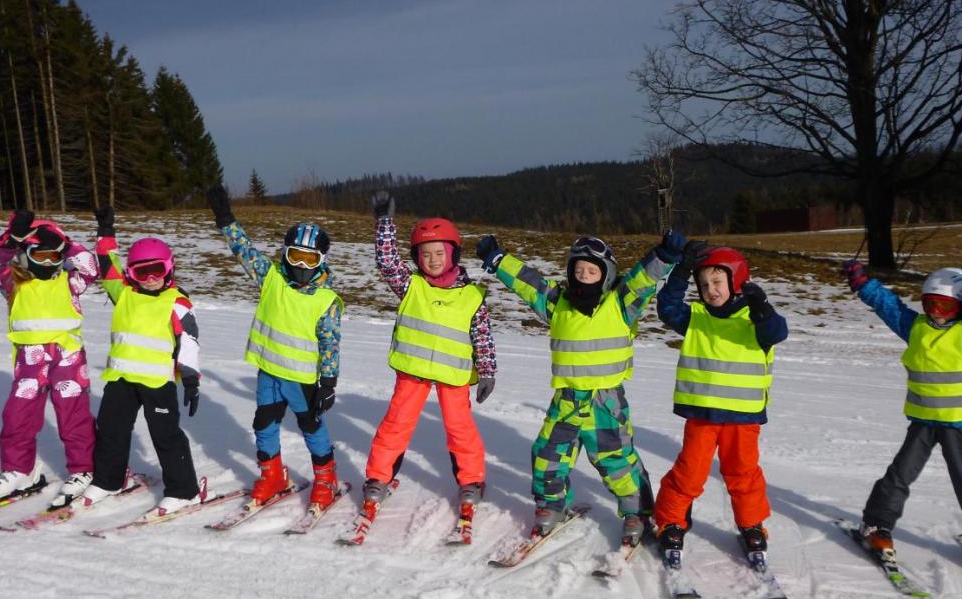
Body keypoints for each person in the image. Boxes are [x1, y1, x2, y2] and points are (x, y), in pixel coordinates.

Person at [475, 231, 671, 546]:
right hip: (567, 399)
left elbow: (641, 280)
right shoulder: (557, 304)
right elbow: (529, 283)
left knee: (616, 460)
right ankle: (552, 506)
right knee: (547, 456)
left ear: (605, 275)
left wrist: (665, 255)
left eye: (592, 271)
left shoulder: (621, 303)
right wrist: (498, 261)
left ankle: (638, 513)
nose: (584, 276)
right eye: (578, 270)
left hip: (605, 402)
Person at [842, 245, 962, 574]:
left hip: (958, 423)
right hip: (922, 422)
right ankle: (876, 525)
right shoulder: (917, 328)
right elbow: (889, 307)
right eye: (930, 304)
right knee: (899, 475)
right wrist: (863, 284)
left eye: (945, 305)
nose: (936, 312)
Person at [358, 190, 497, 525]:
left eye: (439, 252)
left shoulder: (471, 297)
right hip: (413, 372)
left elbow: (482, 337)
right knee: (396, 424)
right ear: (417, 258)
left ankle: (471, 480)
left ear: (453, 254)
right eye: (425, 254)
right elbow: (387, 262)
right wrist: (384, 223)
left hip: (453, 376)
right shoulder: (410, 285)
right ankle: (379, 476)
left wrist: (487, 370)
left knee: (460, 429)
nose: (433, 260)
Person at [206, 185, 344, 511]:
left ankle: (326, 478)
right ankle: (272, 476)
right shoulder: (271, 278)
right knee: (263, 425)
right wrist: (225, 218)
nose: (301, 266)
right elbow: (243, 249)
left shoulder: (326, 300)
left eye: (309, 259)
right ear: (285, 254)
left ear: (321, 262)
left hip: (302, 380)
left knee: (311, 427)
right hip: (268, 373)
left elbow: (330, 343)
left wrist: (328, 382)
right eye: (294, 256)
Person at [651, 234, 788, 557]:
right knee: (690, 471)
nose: (710, 290)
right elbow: (667, 308)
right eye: (704, 284)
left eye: (717, 281)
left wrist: (762, 307)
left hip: (743, 418)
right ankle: (671, 521)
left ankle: (752, 525)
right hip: (703, 416)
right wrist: (682, 270)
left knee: (743, 474)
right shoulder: (696, 318)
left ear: (736, 279)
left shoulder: (756, 319)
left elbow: (777, 333)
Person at [78, 207, 204, 514]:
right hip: (121, 379)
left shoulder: (177, 303)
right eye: (141, 272)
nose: (149, 279)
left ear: (169, 269)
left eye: (156, 271)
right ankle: (109, 480)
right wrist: (106, 231)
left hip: (157, 381)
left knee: (165, 435)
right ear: (131, 273)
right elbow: (108, 263)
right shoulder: (123, 293)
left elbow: (189, 343)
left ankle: (185, 490)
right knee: (111, 429)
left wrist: (190, 380)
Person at [0, 209, 98, 508]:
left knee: (73, 415)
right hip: (30, 362)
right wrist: (11, 240)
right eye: (40, 255)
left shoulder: (70, 282)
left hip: (68, 358)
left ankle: (84, 468)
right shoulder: (13, 282)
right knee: (18, 416)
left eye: (54, 256)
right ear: (26, 254)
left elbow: (91, 268)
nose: (48, 263)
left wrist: (65, 241)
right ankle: (20, 471)